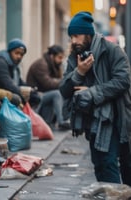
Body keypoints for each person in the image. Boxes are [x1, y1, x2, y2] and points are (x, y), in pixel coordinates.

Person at [59, 11, 131, 186]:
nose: (73, 41)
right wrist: (79, 72)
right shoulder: (75, 57)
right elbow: (64, 90)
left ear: (88, 34)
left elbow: (123, 80)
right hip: (92, 120)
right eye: (71, 37)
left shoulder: (111, 50)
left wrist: (92, 92)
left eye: (77, 35)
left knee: (115, 164)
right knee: (100, 164)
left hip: (115, 117)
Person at [26, 45, 70, 129]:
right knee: (56, 94)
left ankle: (58, 120)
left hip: (43, 94)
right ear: (52, 56)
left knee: (63, 92)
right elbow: (48, 84)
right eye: (59, 57)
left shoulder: (54, 65)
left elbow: (56, 81)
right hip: (35, 95)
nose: (61, 60)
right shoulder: (41, 64)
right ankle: (61, 121)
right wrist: (63, 81)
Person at [0, 38, 41, 107]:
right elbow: (9, 85)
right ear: (10, 52)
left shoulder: (14, 66)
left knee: (37, 97)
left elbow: (20, 82)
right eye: (16, 53)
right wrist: (24, 97)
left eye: (21, 54)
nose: (19, 56)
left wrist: (31, 90)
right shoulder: (0, 63)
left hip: (8, 95)